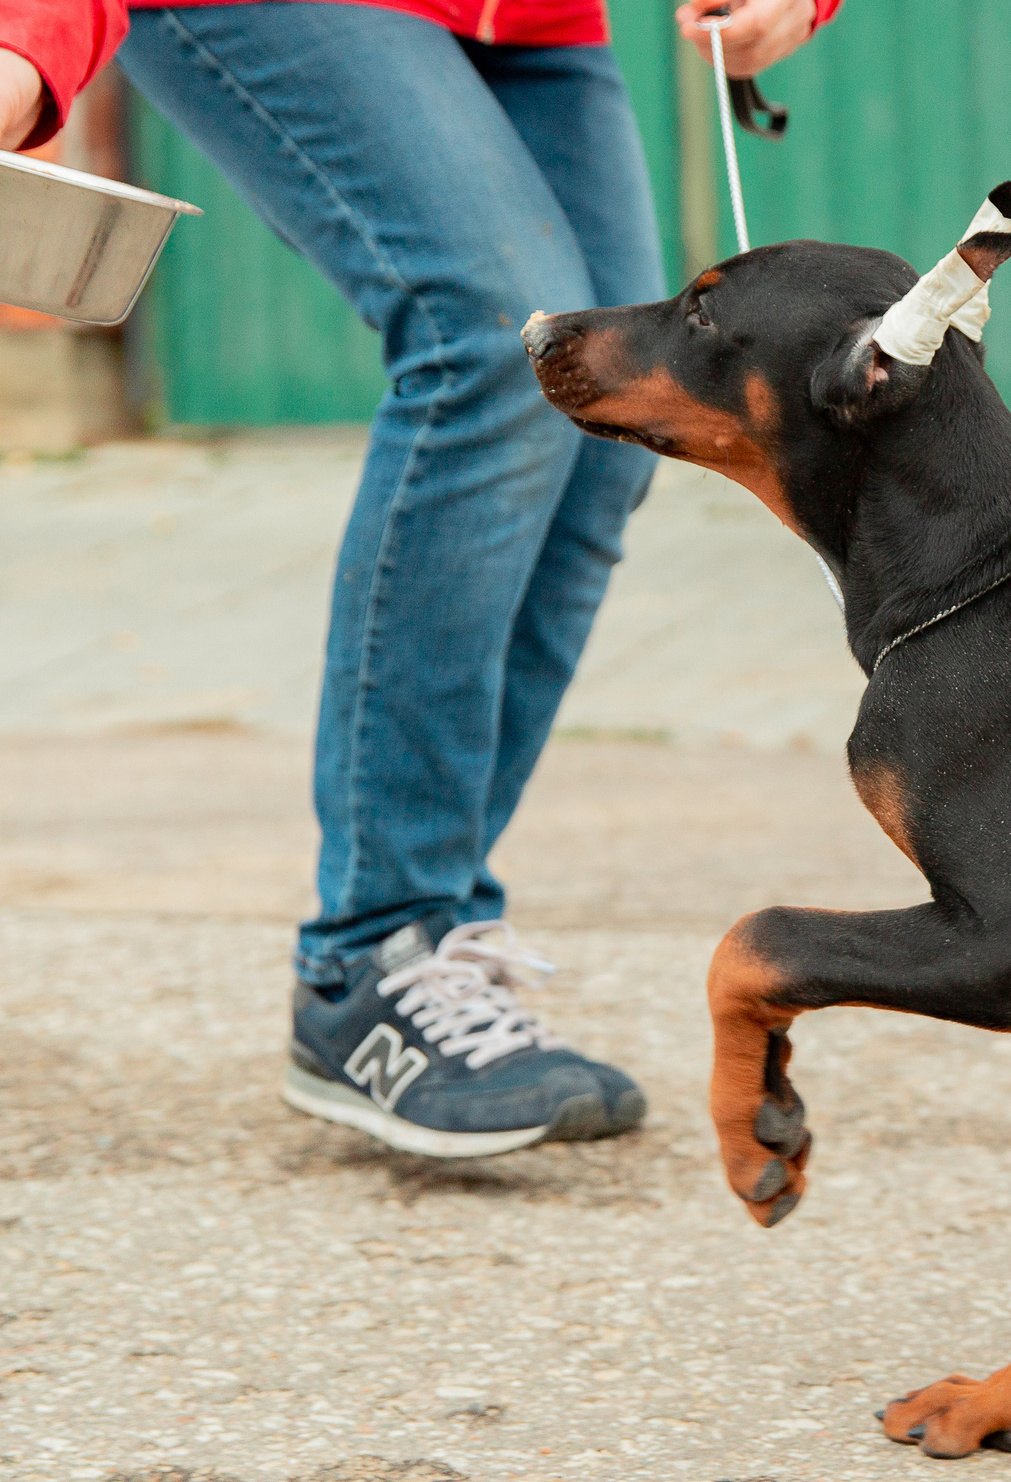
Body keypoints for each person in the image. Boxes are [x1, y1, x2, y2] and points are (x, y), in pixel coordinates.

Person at [1, 0, 828, 1157]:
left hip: (531, 21)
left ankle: (431, 940)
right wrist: (27, 44)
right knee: (495, 348)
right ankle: (372, 955)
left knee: (612, 409)